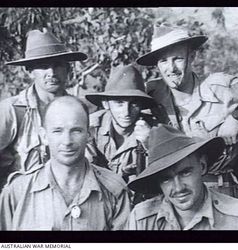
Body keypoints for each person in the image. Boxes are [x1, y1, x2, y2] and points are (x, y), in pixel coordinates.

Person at [136, 24, 238, 198]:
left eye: (177, 59)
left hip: (219, 190)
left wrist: (237, 117)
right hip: (176, 194)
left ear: (191, 57)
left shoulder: (221, 86)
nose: (171, 68)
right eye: (163, 61)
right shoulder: (153, 93)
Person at [0, 96, 130, 230]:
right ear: (44, 136)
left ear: (89, 134)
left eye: (76, 130)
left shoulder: (114, 190)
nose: (67, 141)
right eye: (57, 131)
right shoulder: (17, 192)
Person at [127, 124, 238, 230]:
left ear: (202, 166)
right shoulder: (142, 218)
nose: (178, 188)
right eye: (166, 179)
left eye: (185, 173)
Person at [0, 28, 87, 189]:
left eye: (58, 65)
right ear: (30, 72)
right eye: (43, 66)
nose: (51, 72)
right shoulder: (12, 110)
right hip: (24, 200)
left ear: (68, 69)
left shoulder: (79, 110)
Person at [85, 65, 157, 183]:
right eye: (119, 103)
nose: (126, 112)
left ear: (141, 105)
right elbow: (83, 172)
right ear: (106, 104)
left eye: (133, 104)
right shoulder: (91, 127)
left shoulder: (152, 130)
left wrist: (151, 145)